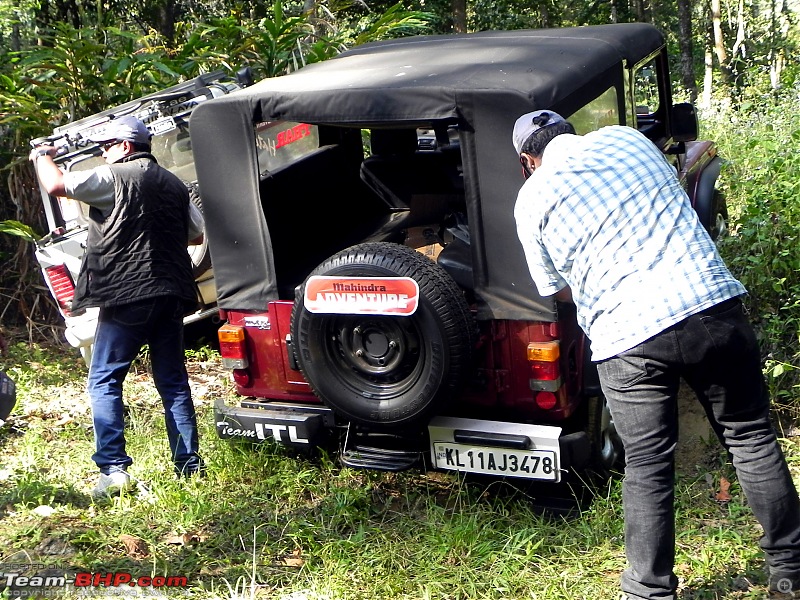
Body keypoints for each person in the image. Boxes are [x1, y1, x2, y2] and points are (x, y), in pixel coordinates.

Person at [511, 110, 800, 599]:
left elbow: (555, 290)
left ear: (527, 161)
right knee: (751, 436)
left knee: (647, 464)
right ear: (569, 132)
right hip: (708, 304)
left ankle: (648, 591)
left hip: (627, 338)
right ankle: (791, 569)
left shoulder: (530, 199)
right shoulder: (626, 139)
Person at [30, 116, 205, 498]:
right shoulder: (174, 185)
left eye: (105, 146)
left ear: (125, 146)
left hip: (127, 293)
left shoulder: (113, 176)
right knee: (172, 382)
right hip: (172, 292)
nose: (102, 154)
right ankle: (189, 468)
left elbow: (56, 183)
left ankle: (113, 471)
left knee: (104, 378)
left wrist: (42, 153)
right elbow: (197, 234)